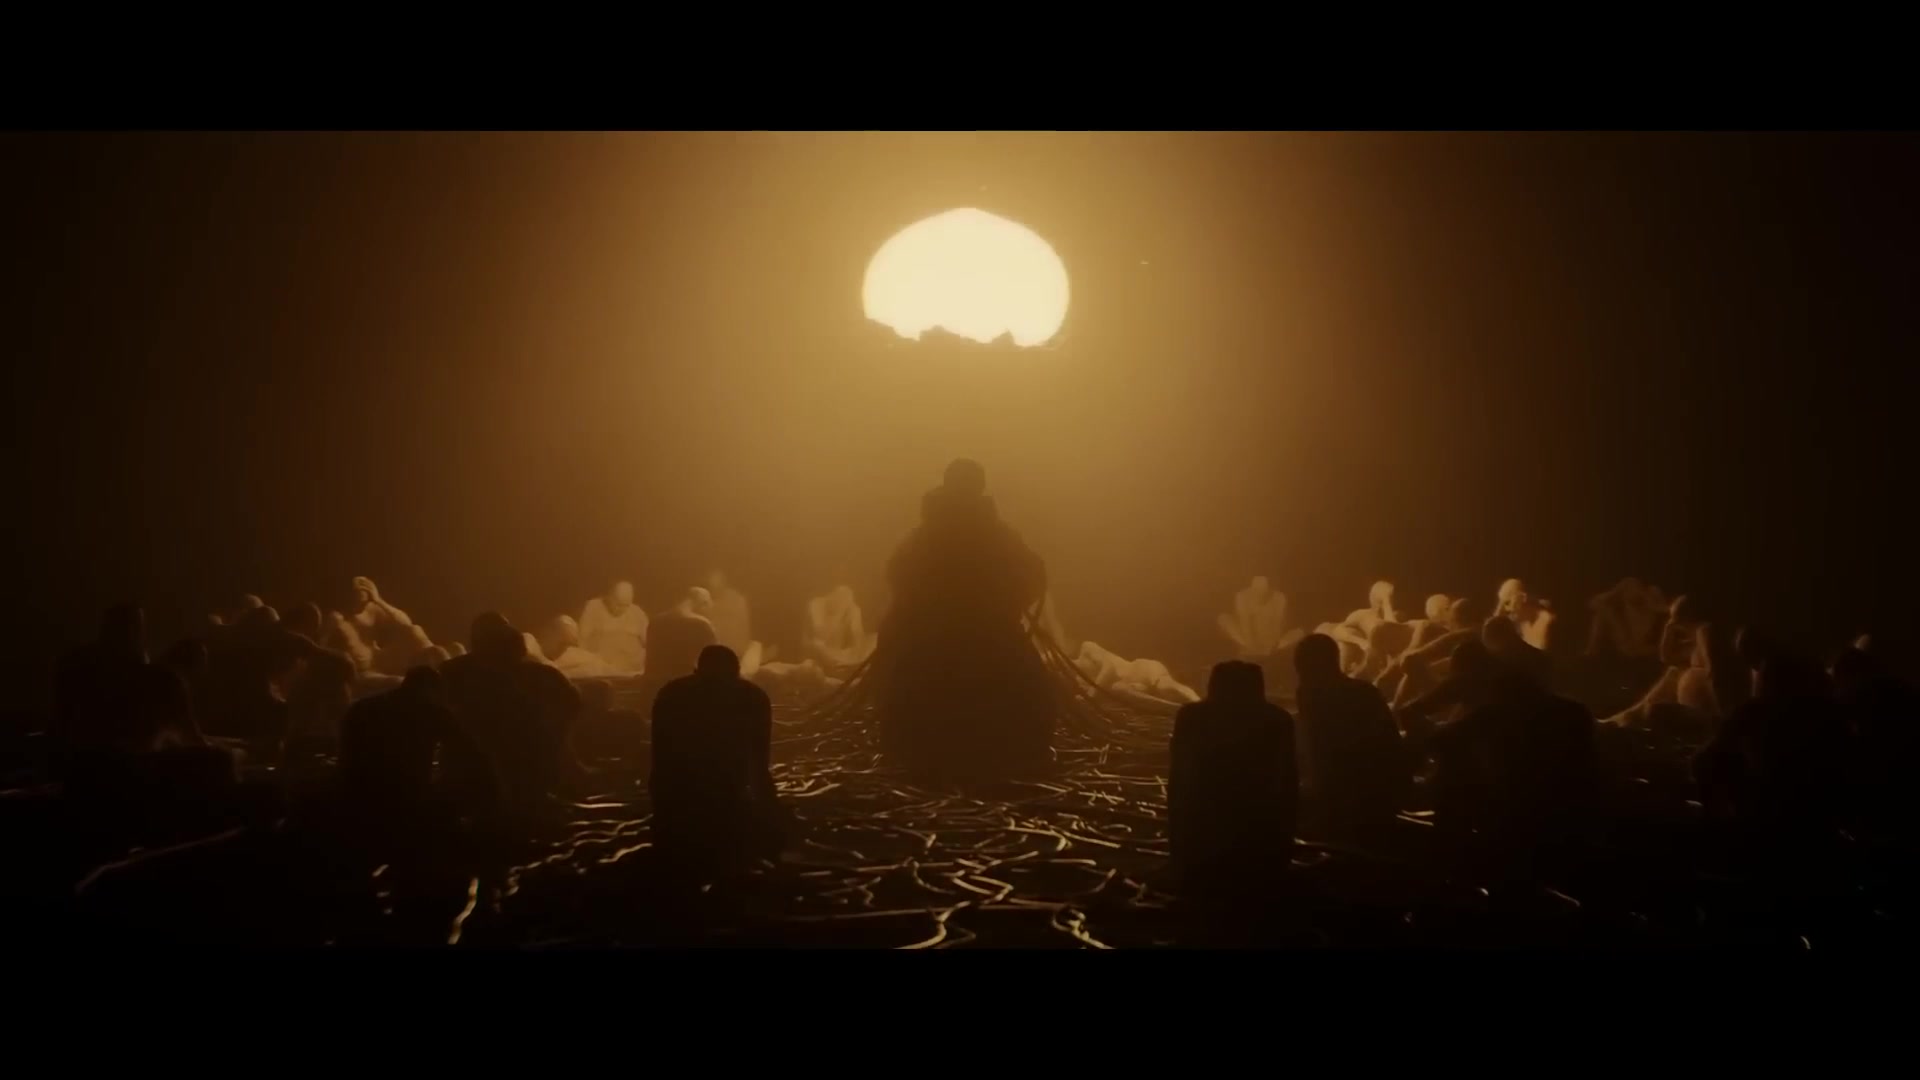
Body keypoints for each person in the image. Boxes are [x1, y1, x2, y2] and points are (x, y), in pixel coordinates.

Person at [873, 458, 1053, 775]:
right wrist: (1004, 605)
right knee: (1027, 690)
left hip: (930, 641)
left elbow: (898, 575)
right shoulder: (996, 533)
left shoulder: (926, 534)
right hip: (990, 639)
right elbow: (1034, 573)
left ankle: (915, 746)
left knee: (901, 682)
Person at [649, 645, 789, 871]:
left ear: (697, 671)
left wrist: (660, 804)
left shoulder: (672, 694)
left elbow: (660, 757)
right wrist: (770, 807)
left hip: (680, 798)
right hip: (727, 798)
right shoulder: (753, 697)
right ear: (737, 672)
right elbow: (759, 763)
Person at [1168, 660, 1298, 891]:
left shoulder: (1191, 717)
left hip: (1203, 834)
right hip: (1260, 837)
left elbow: (1179, 778)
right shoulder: (1278, 719)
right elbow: (1288, 783)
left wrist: (1178, 841)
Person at [1293, 633, 1409, 836]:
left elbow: (1323, 762)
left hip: (1352, 804)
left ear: (1304, 667)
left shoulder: (1313, 696)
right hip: (1385, 794)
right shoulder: (1365, 691)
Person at [338, 665, 463, 821]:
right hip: (409, 795)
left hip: (359, 793)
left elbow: (345, 750)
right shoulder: (433, 712)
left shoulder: (361, 707)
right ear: (433, 690)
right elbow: (461, 749)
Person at [647, 588, 720, 681]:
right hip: (689, 684)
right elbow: (716, 659)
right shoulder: (702, 624)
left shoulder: (656, 621)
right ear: (701, 603)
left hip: (658, 683)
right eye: (706, 604)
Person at [804, 581, 878, 673]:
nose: (841, 599)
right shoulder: (816, 604)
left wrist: (853, 615)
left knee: (875, 639)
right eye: (838, 594)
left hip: (840, 655)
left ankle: (850, 666)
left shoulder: (852, 609)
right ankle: (847, 666)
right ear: (831, 594)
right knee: (817, 645)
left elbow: (858, 642)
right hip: (822, 654)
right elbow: (819, 636)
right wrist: (838, 614)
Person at [579, 581, 647, 673]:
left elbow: (649, 643)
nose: (621, 609)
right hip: (599, 668)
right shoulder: (593, 607)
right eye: (618, 604)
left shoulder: (638, 613)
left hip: (631, 669)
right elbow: (582, 640)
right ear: (610, 596)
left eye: (626, 605)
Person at [705, 570, 764, 673]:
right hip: (717, 655)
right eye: (711, 585)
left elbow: (743, 631)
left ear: (724, 582)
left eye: (717, 582)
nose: (714, 587)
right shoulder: (705, 603)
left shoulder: (737, 600)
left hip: (736, 653)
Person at [1218, 576, 1291, 657]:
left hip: (1269, 635)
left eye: (1263, 592)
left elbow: (1278, 624)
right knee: (1223, 618)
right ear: (1252, 590)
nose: (1260, 595)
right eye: (1257, 592)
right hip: (1246, 637)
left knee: (1298, 633)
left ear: (1268, 590)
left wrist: (1271, 644)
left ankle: (1273, 649)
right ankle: (1245, 645)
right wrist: (1250, 644)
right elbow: (1244, 623)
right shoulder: (1242, 597)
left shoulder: (1279, 597)